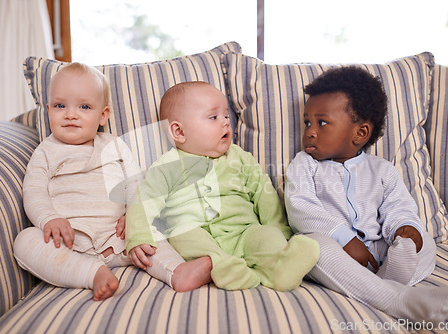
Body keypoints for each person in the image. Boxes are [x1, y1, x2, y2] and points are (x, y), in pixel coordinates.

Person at [14, 63, 211, 301]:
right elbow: (33, 190)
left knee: (153, 232)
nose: (70, 114)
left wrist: (134, 217)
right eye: (60, 106)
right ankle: (92, 273)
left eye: (84, 106)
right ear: (48, 110)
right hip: (68, 241)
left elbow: (137, 185)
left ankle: (176, 272)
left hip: (119, 237)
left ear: (103, 115)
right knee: (25, 241)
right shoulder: (46, 151)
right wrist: (49, 218)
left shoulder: (115, 145)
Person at [285, 66, 448, 322]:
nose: (310, 131)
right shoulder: (305, 164)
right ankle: (394, 298)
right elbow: (301, 208)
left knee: (425, 242)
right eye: (307, 122)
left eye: (322, 122)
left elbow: (398, 207)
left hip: (379, 250)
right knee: (312, 248)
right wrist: (344, 239)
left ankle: (388, 277)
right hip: (336, 250)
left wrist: (404, 229)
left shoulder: (382, 170)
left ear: (360, 133)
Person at [126, 81, 319, 291]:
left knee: (267, 237)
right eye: (213, 117)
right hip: (195, 231)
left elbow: (264, 194)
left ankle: (279, 269)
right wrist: (139, 236)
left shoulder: (239, 157)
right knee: (183, 234)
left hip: (244, 230)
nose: (225, 123)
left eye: (226, 116)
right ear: (179, 132)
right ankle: (225, 267)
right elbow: (144, 200)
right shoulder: (167, 166)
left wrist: (279, 230)